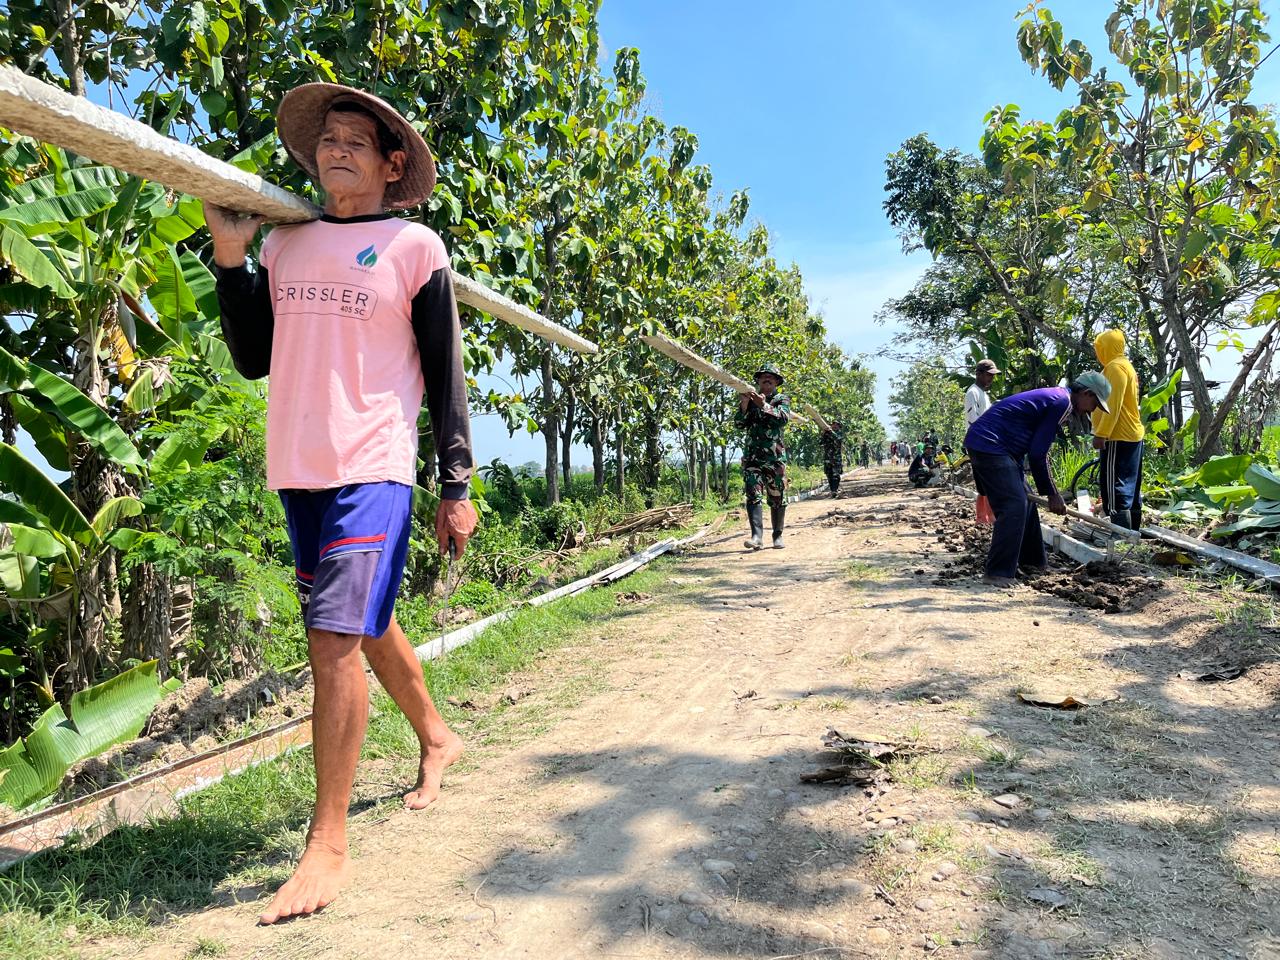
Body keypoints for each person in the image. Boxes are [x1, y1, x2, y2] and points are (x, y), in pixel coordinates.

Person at [208, 83, 477, 924]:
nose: (337, 148)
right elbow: (254, 358)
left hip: (374, 465)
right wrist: (230, 262)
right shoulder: (285, 243)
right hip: (297, 465)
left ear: (393, 165)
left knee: (330, 637)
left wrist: (456, 485)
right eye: (328, 138)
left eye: (358, 140)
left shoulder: (413, 246)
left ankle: (327, 845)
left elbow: (444, 373)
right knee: (358, 623)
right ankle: (437, 733)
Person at [964, 373, 1111, 587]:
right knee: (1014, 505)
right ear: (1086, 394)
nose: (1092, 410)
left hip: (999, 449)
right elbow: (1037, 454)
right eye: (1095, 404)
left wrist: (1048, 492)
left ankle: (1034, 562)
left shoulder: (1058, 398)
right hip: (990, 444)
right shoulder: (1062, 402)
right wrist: (1053, 494)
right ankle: (997, 572)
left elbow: (1034, 447)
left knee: (1028, 500)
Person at [1091, 330, 1145, 529]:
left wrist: (1101, 433)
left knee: (1115, 487)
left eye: (1099, 348)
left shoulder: (1115, 368)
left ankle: (1121, 533)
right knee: (1131, 485)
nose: (1098, 352)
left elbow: (1111, 404)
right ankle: (1133, 531)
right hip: (1131, 434)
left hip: (1117, 435)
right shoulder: (1125, 366)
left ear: (1106, 348)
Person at [735, 363, 791, 549]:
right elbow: (739, 425)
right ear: (758, 380)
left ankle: (777, 535)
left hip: (774, 459)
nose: (767, 379)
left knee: (777, 497)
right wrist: (744, 406)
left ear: (776, 382)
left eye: (771, 377)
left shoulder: (781, 399)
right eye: (763, 377)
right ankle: (756, 537)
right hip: (752, 458)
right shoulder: (749, 400)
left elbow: (782, 419)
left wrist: (764, 405)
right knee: (753, 494)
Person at [965, 359, 998, 426]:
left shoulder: (984, 394)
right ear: (978, 374)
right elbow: (973, 421)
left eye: (993, 375)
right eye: (989, 374)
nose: (991, 378)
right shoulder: (973, 392)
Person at [819, 420, 845, 495]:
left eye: (836, 425)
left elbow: (837, 439)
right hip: (827, 457)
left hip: (836, 458)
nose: (834, 426)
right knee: (829, 474)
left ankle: (835, 489)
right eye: (833, 424)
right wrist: (823, 434)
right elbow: (820, 443)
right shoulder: (827, 433)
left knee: (836, 475)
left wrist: (830, 432)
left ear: (839, 427)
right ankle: (832, 490)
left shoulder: (839, 433)